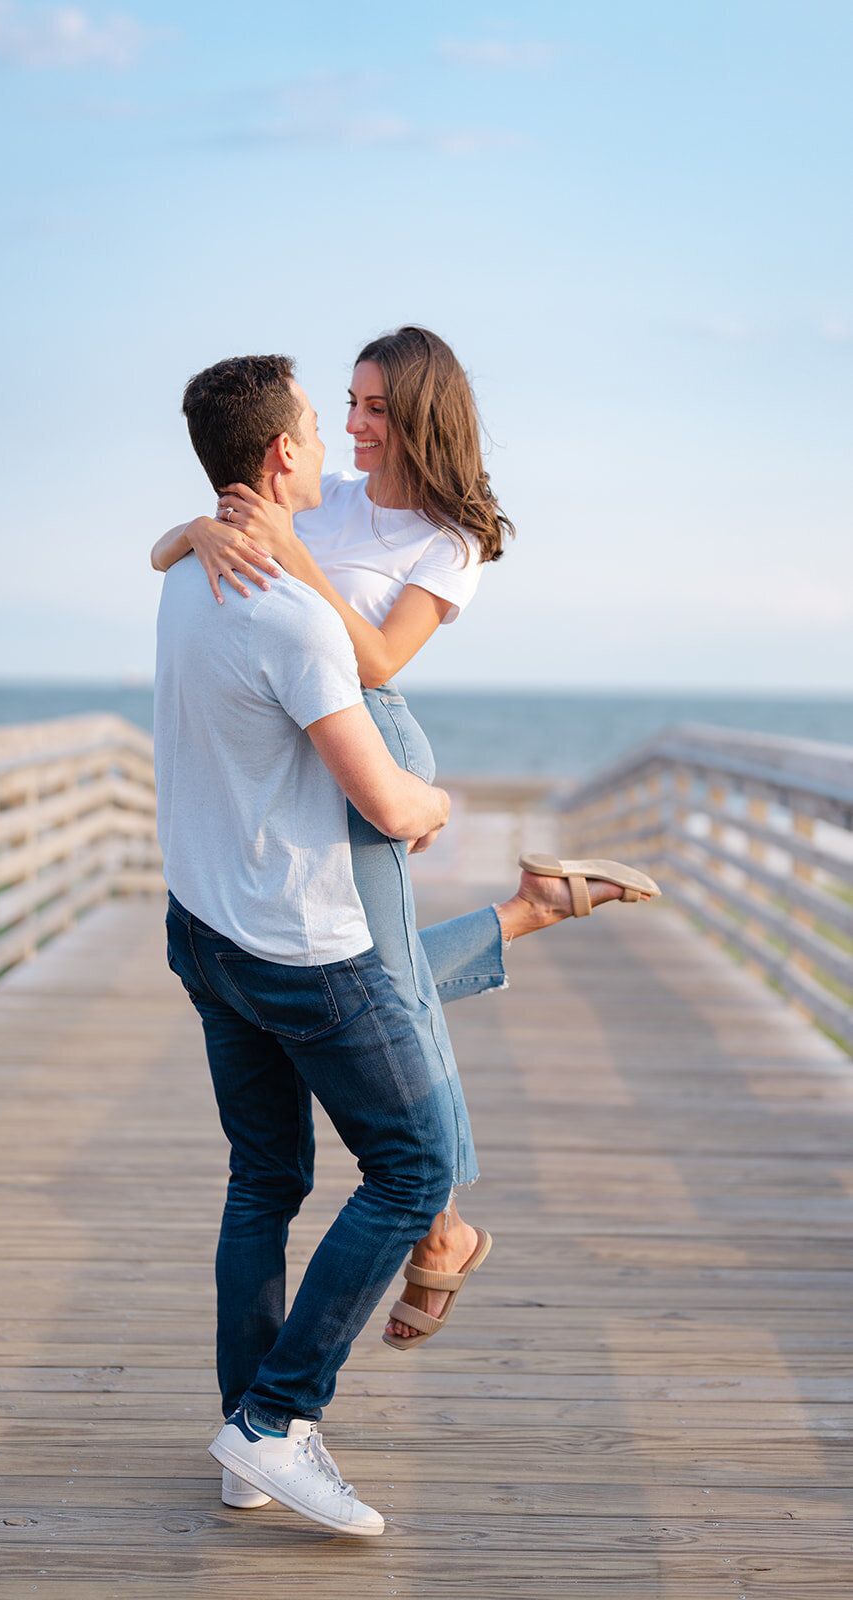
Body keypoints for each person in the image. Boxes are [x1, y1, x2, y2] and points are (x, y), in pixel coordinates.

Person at [152, 327, 660, 1349]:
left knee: (378, 984)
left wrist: (292, 562)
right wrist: (194, 535)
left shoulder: (445, 539)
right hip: (311, 743)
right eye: (345, 403)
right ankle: (527, 914)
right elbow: (180, 544)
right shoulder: (325, 493)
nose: (351, 425)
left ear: (423, 415)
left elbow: (378, 657)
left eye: (375, 407)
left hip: (363, 736)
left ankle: (438, 1226)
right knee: (376, 983)